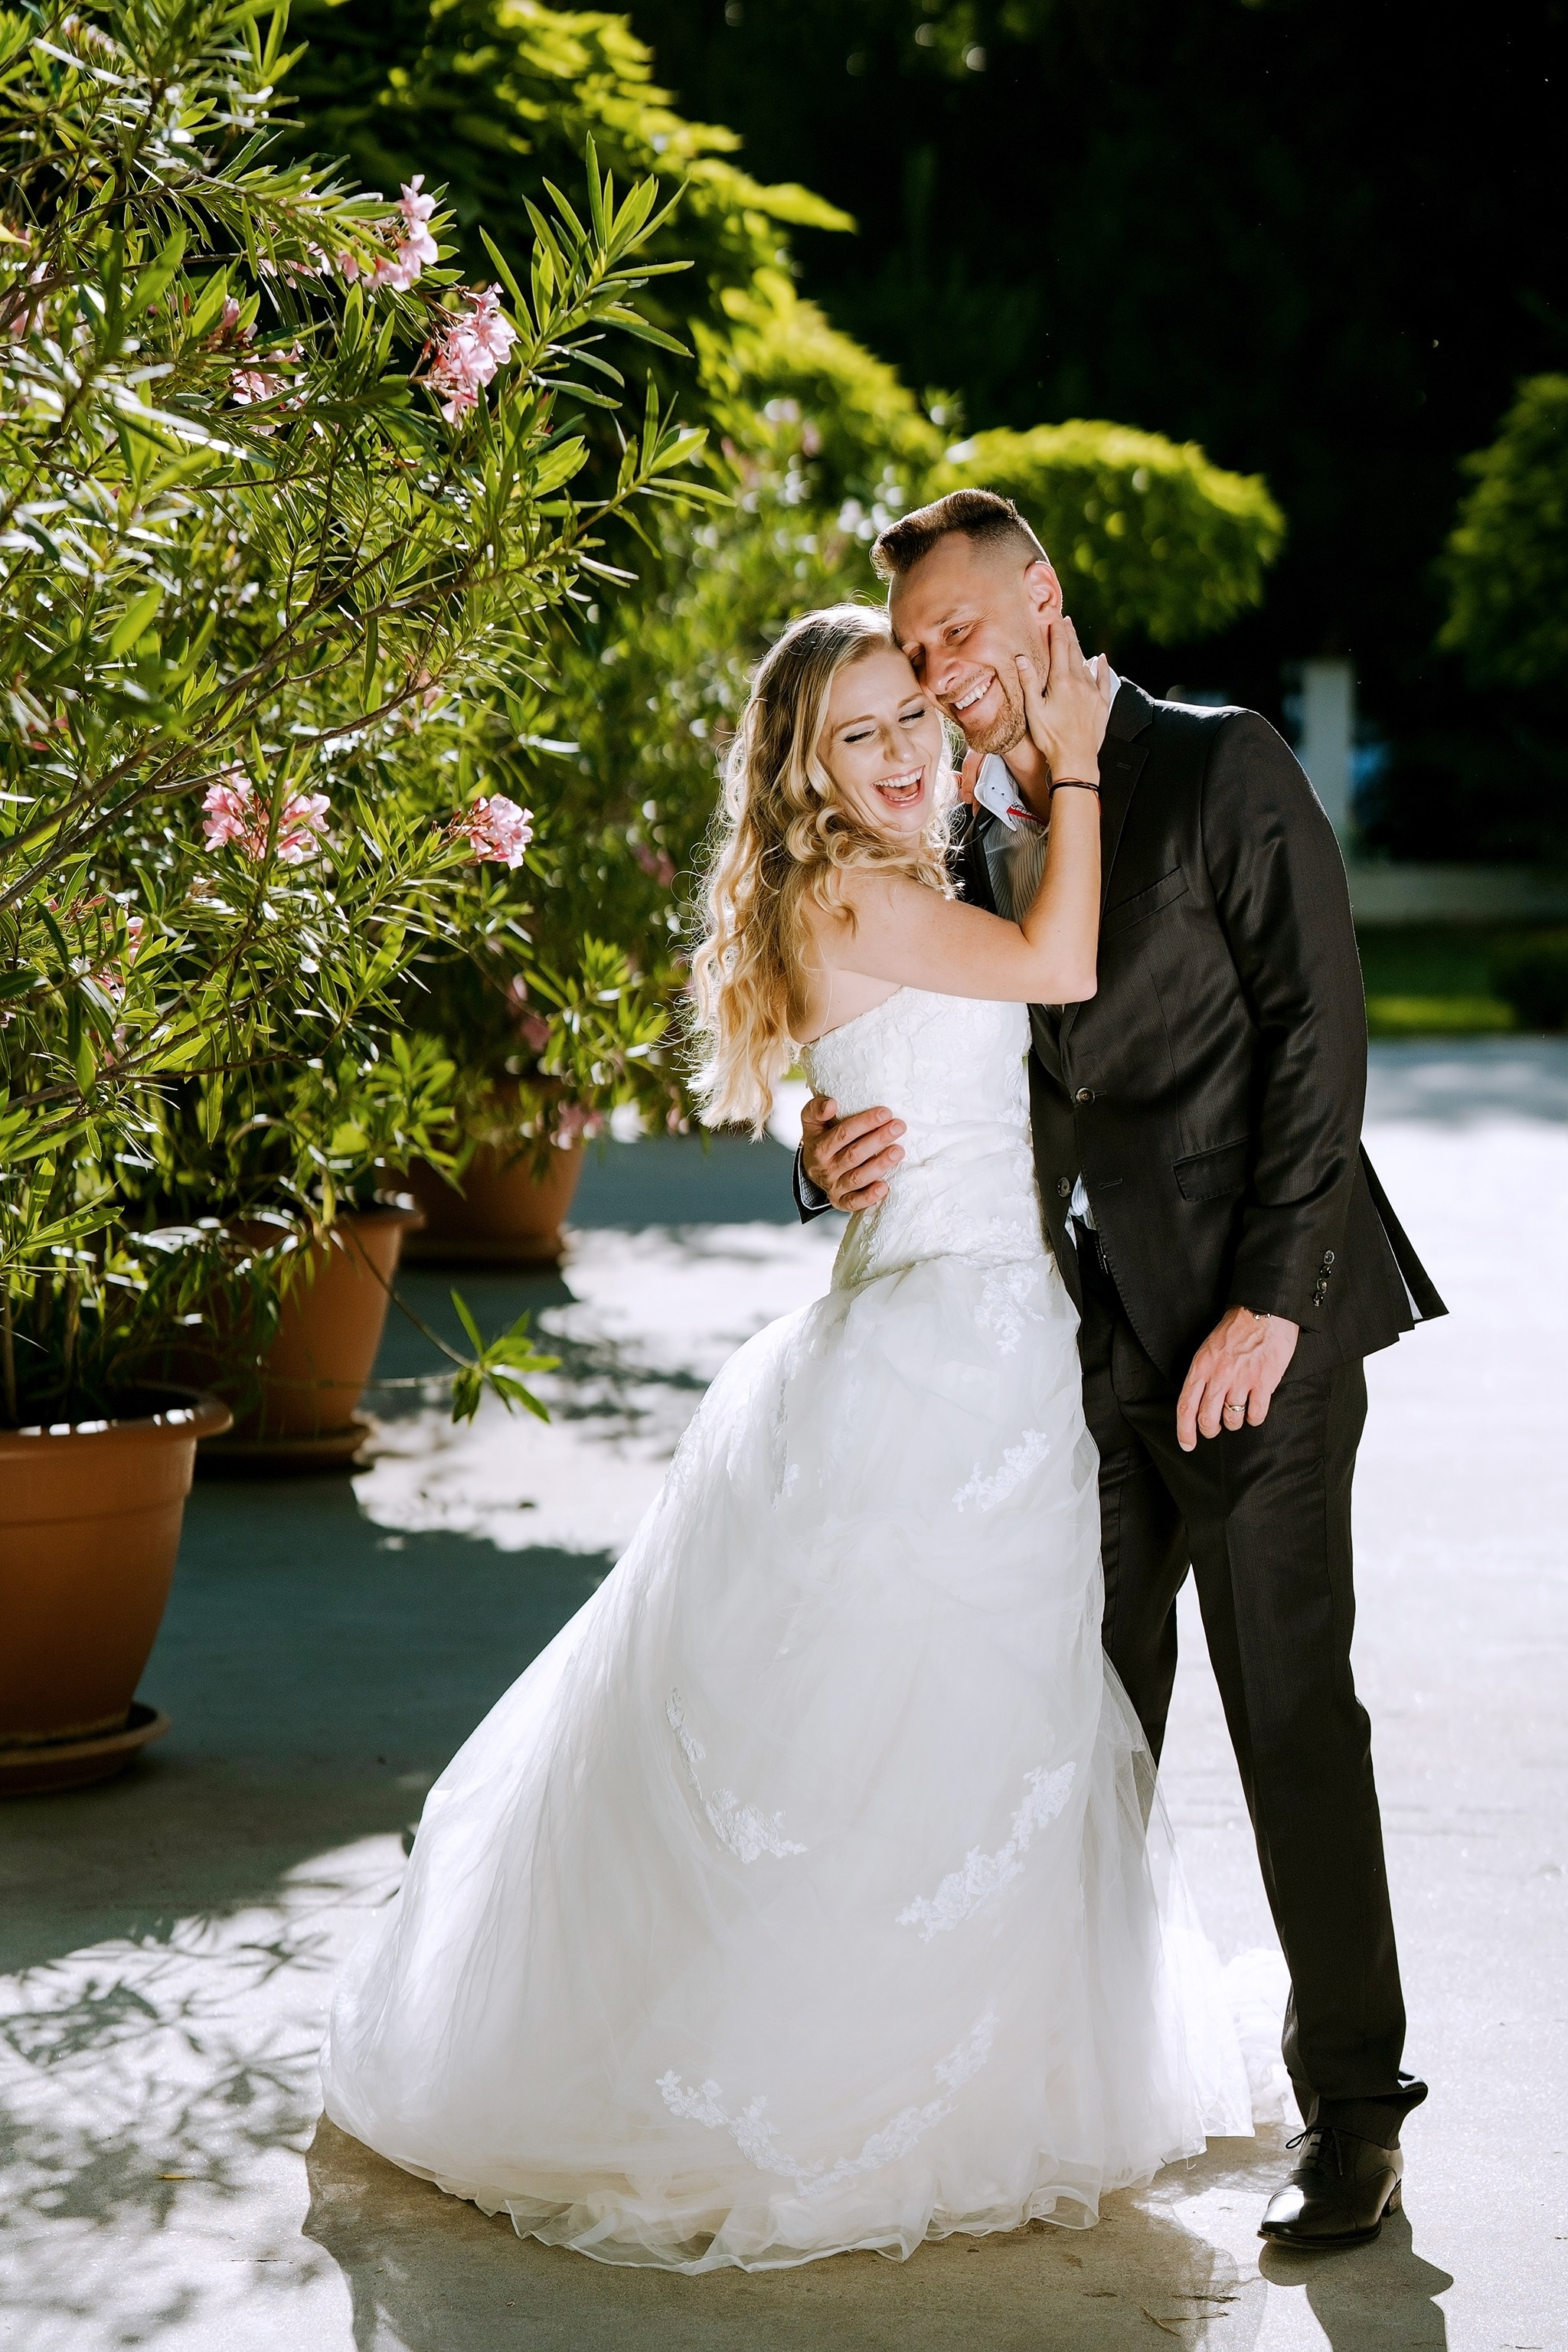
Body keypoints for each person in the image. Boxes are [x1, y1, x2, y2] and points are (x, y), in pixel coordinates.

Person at [322, 601, 1258, 2275]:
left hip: (992, 1338)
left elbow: (904, 1061)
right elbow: (1052, 969)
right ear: (804, 774)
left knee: (984, 1729)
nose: (904, 753)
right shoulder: (857, 885)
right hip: (936, 1355)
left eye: (914, 715)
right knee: (889, 1737)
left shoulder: (914, 862)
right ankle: (839, 2079)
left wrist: (816, 1117)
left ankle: (984, 2060)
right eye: (863, 736)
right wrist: (1087, 758)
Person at [796, 489, 1446, 2251]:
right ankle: (1044, 2078)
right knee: (1066, 1723)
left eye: (959, 632)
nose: (939, 674)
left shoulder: (1220, 765)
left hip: (1256, 1341)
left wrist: (1275, 1305)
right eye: (915, 650)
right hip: (1068, 1363)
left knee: (1288, 1710)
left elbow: (1322, 1029)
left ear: (1043, 602)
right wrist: (821, 1143)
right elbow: (912, 1029)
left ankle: (1358, 2112)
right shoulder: (962, 831)